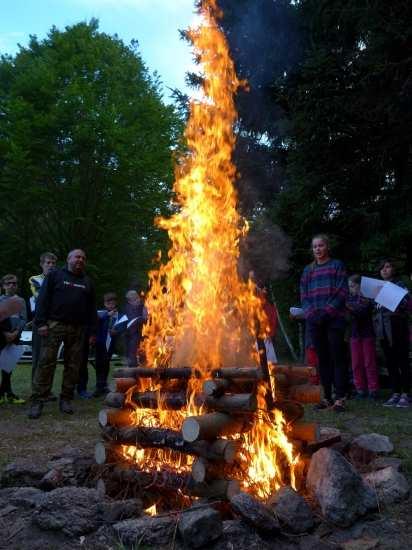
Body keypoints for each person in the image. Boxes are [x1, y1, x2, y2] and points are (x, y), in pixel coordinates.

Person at [28, 249, 97, 419]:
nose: (80, 259)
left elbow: (91, 309)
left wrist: (92, 332)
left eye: (83, 257)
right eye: (77, 257)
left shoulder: (87, 282)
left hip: (78, 328)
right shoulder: (55, 276)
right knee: (46, 363)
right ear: (68, 259)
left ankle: (66, 399)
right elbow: (42, 299)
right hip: (54, 325)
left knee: (73, 366)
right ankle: (38, 401)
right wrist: (41, 323)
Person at [300, 234, 348, 412]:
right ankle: (327, 397)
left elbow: (342, 292)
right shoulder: (308, 270)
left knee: (337, 357)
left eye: (321, 246)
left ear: (327, 247)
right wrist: (312, 313)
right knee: (323, 359)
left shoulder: (337, 265)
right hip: (314, 320)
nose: (318, 249)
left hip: (334, 319)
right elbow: (304, 295)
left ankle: (340, 398)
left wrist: (327, 312)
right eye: (315, 247)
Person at [374, 260, 410, 408]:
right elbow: (375, 309)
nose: (385, 270)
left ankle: (406, 394)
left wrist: (389, 296)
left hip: (398, 327)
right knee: (391, 362)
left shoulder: (400, 285)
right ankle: (395, 392)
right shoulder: (377, 287)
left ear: (393, 269)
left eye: (388, 266)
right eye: (382, 267)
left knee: (402, 361)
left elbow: (406, 303)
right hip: (383, 330)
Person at [346, 274, 379, 400]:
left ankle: (373, 389)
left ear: (360, 286)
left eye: (353, 286)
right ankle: (360, 389)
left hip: (367, 333)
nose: (351, 289)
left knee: (369, 362)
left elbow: (361, 311)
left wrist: (348, 308)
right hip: (354, 334)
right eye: (349, 286)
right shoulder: (349, 299)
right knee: (356, 363)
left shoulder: (368, 299)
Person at [29, 252, 57, 384]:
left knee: (50, 358)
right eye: (48, 263)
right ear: (42, 264)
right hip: (40, 322)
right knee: (38, 356)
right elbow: (39, 296)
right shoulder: (35, 279)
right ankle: (35, 387)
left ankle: (46, 389)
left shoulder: (59, 279)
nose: (51, 265)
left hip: (55, 322)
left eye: (53, 263)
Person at [0, 274, 27, 404]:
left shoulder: (20, 301)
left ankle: (8, 394)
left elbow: (23, 319)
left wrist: (15, 332)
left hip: (15, 336)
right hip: (1, 337)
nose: (12, 285)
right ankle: (4, 393)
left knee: (8, 366)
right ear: (3, 285)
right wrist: (5, 333)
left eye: (14, 283)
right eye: (9, 283)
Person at [93, 292, 120, 396]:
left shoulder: (118, 315)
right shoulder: (100, 313)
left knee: (106, 363)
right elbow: (95, 322)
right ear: (105, 304)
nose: (111, 305)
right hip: (100, 343)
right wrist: (106, 315)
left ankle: (103, 384)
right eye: (108, 303)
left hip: (110, 344)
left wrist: (116, 330)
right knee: (99, 363)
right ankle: (98, 385)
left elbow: (121, 325)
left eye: (113, 303)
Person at [123, 290, 147, 368]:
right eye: (135, 299)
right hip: (131, 336)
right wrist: (143, 318)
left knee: (142, 357)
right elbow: (132, 321)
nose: (138, 300)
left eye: (137, 298)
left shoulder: (142, 306)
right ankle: (132, 369)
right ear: (129, 301)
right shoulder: (128, 309)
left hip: (141, 336)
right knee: (132, 356)